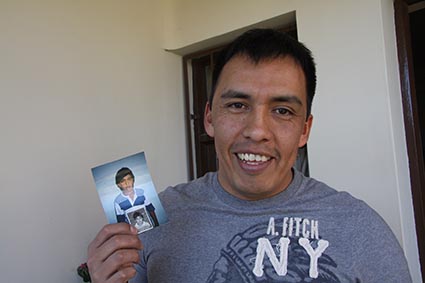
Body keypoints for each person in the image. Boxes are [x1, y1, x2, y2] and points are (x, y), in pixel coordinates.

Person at [87, 29, 412, 283]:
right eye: (237, 105)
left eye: (283, 110)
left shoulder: (359, 226)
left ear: (304, 130)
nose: (257, 131)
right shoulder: (155, 221)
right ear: (210, 118)